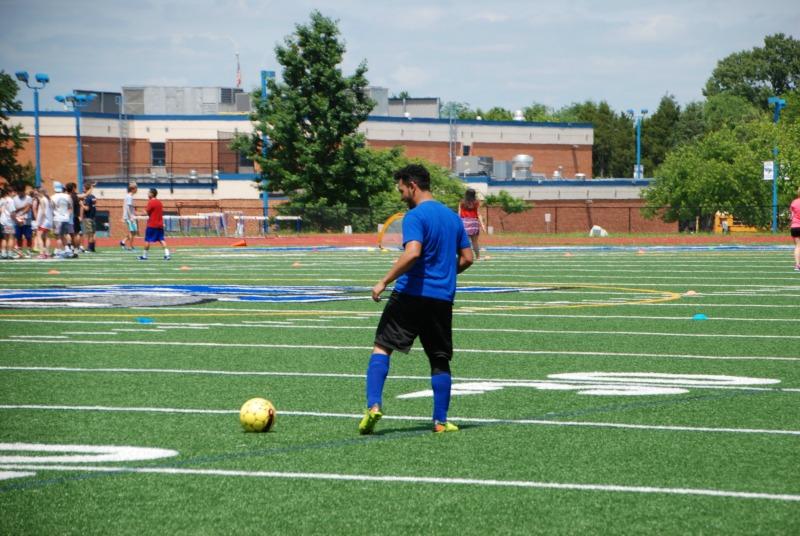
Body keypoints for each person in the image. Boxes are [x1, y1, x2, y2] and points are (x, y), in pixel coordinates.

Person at [359, 164, 473, 435]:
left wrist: (383, 281)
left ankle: (373, 406)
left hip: (410, 295)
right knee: (439, 359)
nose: (400, 195)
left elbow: (412, 253)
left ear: (412, 185)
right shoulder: (452, 218)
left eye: (401, 189)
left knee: (382, 347)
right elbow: (468, 258)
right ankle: (441, 421)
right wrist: (445, 272)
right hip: (441, 299)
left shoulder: (415, 216)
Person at [138, 188, 170, 261]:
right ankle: (167, 254)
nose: (147, 194)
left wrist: (136, 213)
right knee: (161, 240)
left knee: (147, 240)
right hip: (160, 225)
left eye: (148, 192)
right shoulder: (159, 202)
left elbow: (145, 213)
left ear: (152, 194)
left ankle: (144, 256)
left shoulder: (151, 202)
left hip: (152, 225)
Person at [458, 188, 486, 260]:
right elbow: (478, 214)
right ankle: (478, 257)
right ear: (474, 195)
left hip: (464, 223)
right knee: (475, 242)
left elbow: (459, 214)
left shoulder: (462, 202)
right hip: (474, 223)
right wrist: (482, 225)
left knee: (464, 242)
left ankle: (464, 257)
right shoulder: (476, 202)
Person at [51, 181, 76, 258]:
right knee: (63, 235)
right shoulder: (67, 196)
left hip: (57, 218)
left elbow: (51, 209)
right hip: (66, 218)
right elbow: (71, 208)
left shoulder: (52, 197)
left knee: (58, 236)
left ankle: (59, 251)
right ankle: (67, 250)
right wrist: (67, 215)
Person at [12, 182, 34, 258]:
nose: (19, 193)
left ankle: (29, 251)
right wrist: (19, 212)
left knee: (28, 236)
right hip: (17, 221)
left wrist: (21, 214)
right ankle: (20, 252)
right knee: (18, 237)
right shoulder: (14, 199)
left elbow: (28, 208)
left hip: (26, 220)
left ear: (24, 190)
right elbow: (14, 209)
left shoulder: (29, 198)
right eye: (18, 191)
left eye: (21, 191)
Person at [34, 186, 53, 258]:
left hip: (43, 221)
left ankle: (42, 253)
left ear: (40, 192)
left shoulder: (42, 200)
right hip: (48, 221)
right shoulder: (48, 199)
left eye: (37, 192)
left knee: (39, 236)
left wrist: (38, 222)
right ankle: (47, 253)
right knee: (47, 237)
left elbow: (42, 212)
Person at [121, 182, 138, 250]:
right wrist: (131, 217)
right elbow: (128, 207)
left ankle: (123, 241)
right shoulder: (129, 197)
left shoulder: (129, 196)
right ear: (132, 189)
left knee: (134, 231)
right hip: (129, 217)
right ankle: (130, 246)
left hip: (130, 216)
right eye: (136, 188)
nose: (137, 189)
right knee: (132, 231)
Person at [81, 182, 97, 253]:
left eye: (83, 187)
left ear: (86, 188)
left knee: (89, 234)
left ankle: (90, 248)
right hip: (93, 217)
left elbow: (87, 208)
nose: (82, 189)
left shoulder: (87, 198)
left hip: (88, 217)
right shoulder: (93, 197)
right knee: (93, 234)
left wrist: (82, 204)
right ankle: (92, 247)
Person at [0, 186, 16, 259]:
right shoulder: (11, 200)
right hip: (9, 221)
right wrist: (17, 220)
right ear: (9, 192)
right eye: (13, 192)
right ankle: (9, 254)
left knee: (4, 238)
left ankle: (3, 253)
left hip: (2, 220)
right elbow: (12, 213)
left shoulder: (2, 199)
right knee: (11, 237)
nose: (14, 193)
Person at [791, 186, 800, 272]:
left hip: (795, 226)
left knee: (797, 246)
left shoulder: (794, 202)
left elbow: (791, 216)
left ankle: (797, 265)